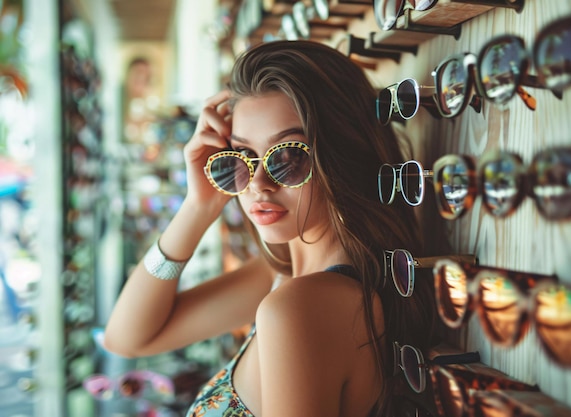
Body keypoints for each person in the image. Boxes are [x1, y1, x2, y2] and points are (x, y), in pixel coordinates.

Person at [104, 40, 437, 417]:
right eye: (242, 157)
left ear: (342, 155)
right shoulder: (283, 277)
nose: (258, 183)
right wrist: (198, 205)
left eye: (288, 156)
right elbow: (126, 338)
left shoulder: (302, 306)